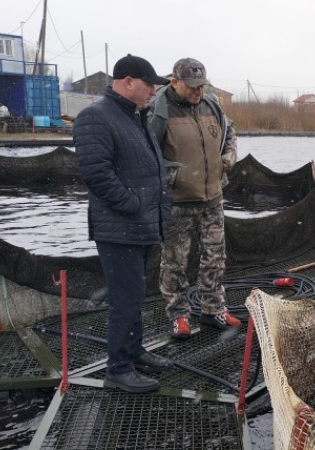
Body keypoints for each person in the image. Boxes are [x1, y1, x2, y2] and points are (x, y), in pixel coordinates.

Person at [74, 54, 174, 393]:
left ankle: (134, 351)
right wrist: (133, 205)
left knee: (135, 293)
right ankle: (117, 369)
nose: (153, 92)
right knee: (125, 299)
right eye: (149, 86)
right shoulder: (95, 117)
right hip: (119, 229)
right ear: (128, 82)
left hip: (141, 225)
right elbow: (96, 174)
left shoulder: (136, 117)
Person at [149, 58, 241, 338]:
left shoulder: (212, 105)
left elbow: (230, 134)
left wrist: (227, 159)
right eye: (192, 86)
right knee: (174, 262)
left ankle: (213, 309)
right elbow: (147, 155)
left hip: (212, 197)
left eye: (201, 85)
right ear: (175, 82)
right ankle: (179, 315)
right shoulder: (158, 111)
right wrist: (173, 177)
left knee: (215, 256)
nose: (198, 90)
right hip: (177, 202)